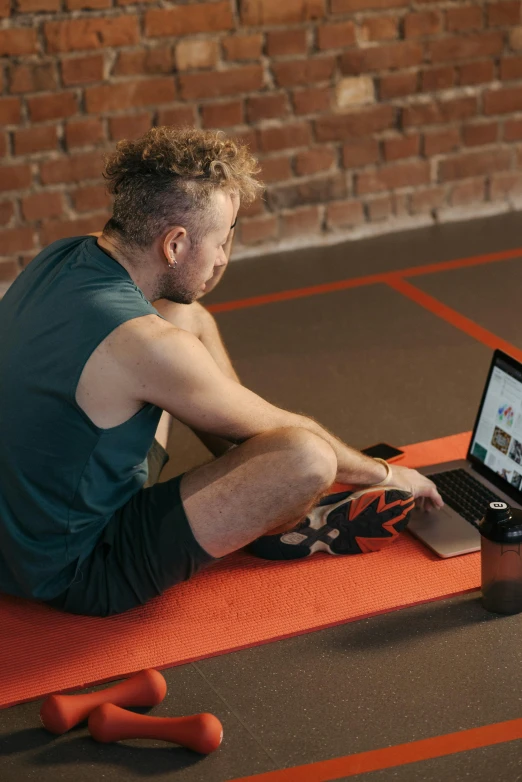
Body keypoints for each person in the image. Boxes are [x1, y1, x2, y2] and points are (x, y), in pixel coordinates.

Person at [0, 127, 443, 618]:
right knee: (307, 459)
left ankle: (255, 492)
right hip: (75, 570)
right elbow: (284, 430)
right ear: (174, 245)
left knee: (186, 316)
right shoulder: (145, 346)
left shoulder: (64, 255)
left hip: (17, 528)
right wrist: (385, 473)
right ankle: (269, 513)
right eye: (223, 239)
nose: (223, 258)